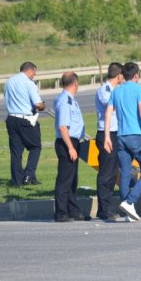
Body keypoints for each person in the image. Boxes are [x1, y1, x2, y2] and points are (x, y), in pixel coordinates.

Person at [103, 62, 141, 222]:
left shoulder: (116, 91)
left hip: (121, 135)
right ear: (136, 75)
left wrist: (106, 137)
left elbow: (108, 114)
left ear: (123, 75)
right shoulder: (138, 89)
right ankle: (130, 201)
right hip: (136, 135)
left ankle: (127, 212)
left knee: (125, 172)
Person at [4, 61, 45, 187]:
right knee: (35, 147)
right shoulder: (29, 83)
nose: (34, 75)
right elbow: (38, 104)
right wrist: (43, 105)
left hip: (11, 119)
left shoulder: (9, 81)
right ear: (29, 70)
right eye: (34, 72)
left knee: (16, 152)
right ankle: (28, 174)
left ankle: (17, 181)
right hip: (25, 119)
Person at [53, 72, 85, 222]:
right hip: (67, 142)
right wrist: (71, 147)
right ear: (75, 84)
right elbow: (63, 127)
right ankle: (60, 213)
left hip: (72, 141)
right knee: (65, 180)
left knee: (72, 179)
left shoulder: (69, 99)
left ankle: (73, 210)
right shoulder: (65, 100)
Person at [94, 62, 124, 220]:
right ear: (119, 75)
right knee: (106, 173)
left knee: (113, 173)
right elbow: (111, 105)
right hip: (106, 134)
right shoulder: (105, 90)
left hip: (115, 133)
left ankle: (106, 207)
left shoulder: (115, 90)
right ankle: (103, 209)